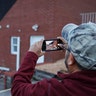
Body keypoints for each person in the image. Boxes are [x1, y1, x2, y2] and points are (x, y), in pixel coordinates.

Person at [11, 22, 96, 96]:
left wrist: (32, 54)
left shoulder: (55, 90)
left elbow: (18, 90)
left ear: (71, 59)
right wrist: (70, 50)